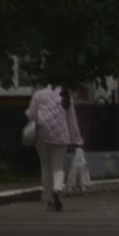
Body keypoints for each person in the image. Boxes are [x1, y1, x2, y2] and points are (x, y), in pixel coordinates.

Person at [26, 81, 81, 212]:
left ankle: (49, 199)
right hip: (61, 136)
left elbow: (30, 115)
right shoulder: (66, 96)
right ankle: (57, 188)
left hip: (42, 135)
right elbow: (71, 121)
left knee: (45, 166)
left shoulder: (39, 95)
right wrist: (76, 140)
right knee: (58, 167)